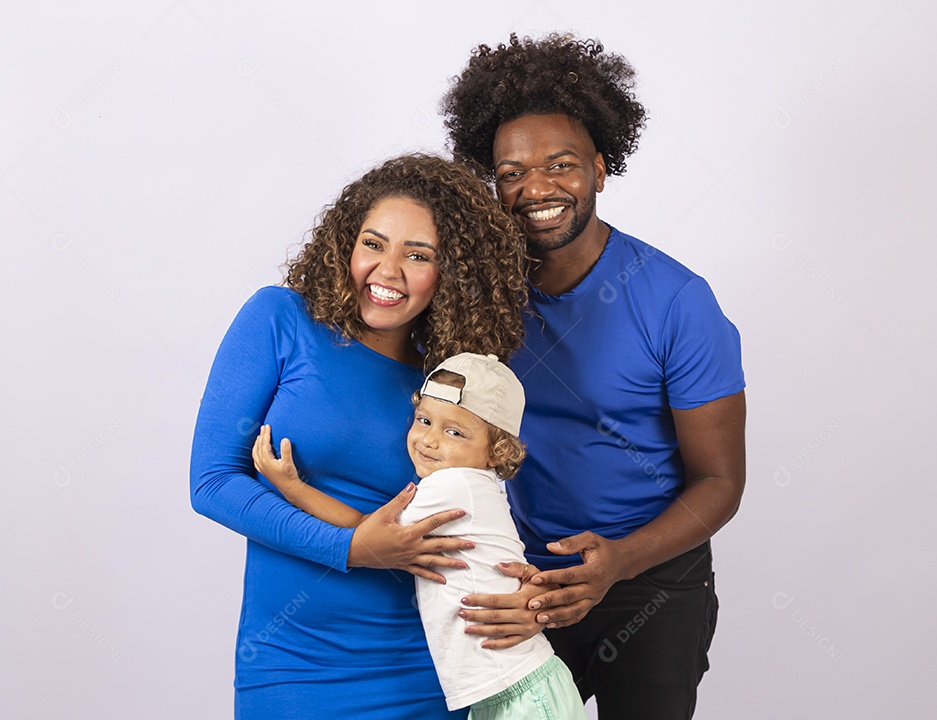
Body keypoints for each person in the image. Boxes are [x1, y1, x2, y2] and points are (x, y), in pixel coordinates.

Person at [440, 34, 748, 718]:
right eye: (512, 171)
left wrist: (619, 562)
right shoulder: (479, 295)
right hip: (522, 575)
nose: (537, 188)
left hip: (652, 582)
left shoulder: (677, 300)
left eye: (561, 165)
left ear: (602, 170)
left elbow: (721, 483)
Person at [189, 154, 537, 719]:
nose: (388, 271)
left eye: (418, 256)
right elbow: (211, 482)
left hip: (427, 673)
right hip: (291, 667)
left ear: (452, 273)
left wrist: (525, 595)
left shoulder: (451, 384)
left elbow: (478, 516)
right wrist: (351, 550)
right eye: (373, 244)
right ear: (344, 245)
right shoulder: (281, 320)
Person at [252, 352, 586, 719]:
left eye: (454, 432)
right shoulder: (471, 484)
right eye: (424, 420)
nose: (429, 440)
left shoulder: (453, 484)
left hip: (521, 692)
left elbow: (366, 529)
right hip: (504, 689)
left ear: (496, 451)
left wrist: (292, 486)